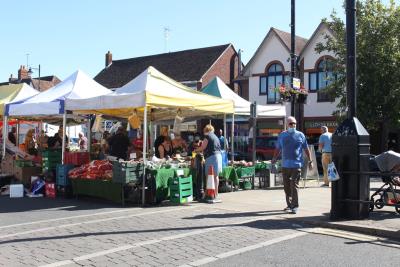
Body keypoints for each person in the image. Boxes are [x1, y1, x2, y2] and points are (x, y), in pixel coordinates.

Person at [272, 116, 313, 214]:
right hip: (285, 165)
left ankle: (295, 206)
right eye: (291, 123)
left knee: (294, 185)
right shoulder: (282, 135)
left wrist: (310, 161)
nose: (293, 125)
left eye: (294, 123)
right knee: (286, 187)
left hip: (296, 165)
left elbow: (306, 149)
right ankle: (289, 204)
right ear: (287, 124)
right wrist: (274, 158)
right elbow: (278, 148)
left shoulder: (300, 135)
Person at [196, 124, 222, 199]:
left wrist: (195, 150)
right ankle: (216, 193)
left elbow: (203, 147)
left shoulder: (207, 137)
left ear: (206, 130)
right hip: (218, 156)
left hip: (211, 157)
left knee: (209, 176)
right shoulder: (215, 137)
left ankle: (208, 194)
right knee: (216, 176)